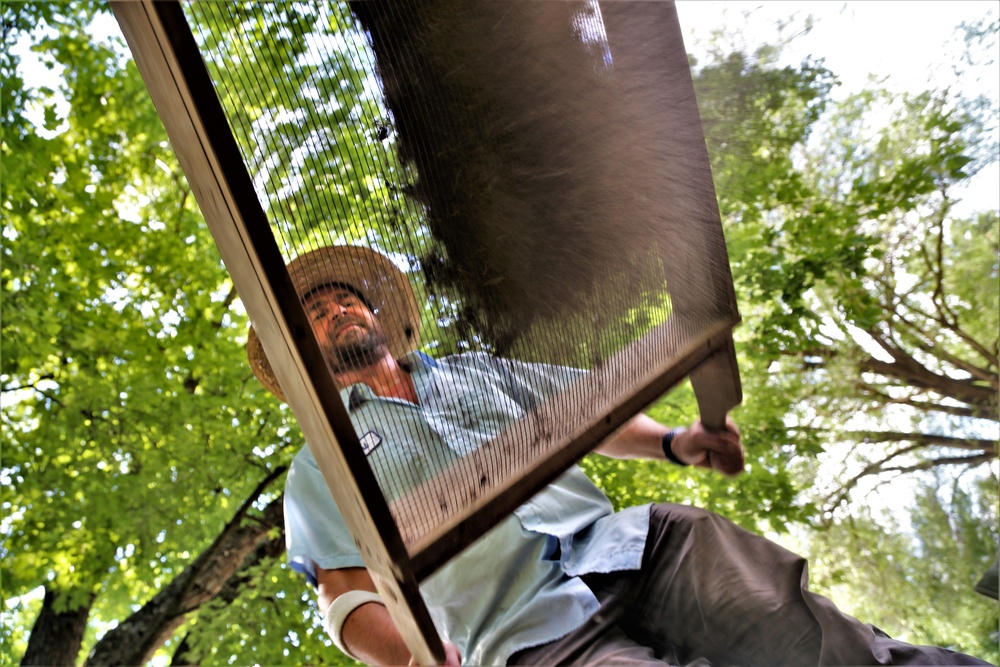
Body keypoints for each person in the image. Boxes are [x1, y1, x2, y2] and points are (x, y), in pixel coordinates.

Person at [247, 245, 989, 666]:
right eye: (317, 311)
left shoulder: (477, 369)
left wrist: (674, 441)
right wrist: (421, 656)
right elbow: (344, 597)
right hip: (525, 634)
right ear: (303, 351)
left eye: (349, 300)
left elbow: (588, 408)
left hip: (634, 547)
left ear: (380, 317)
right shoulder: (322, 464)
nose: (340, 309)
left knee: (815, 641)